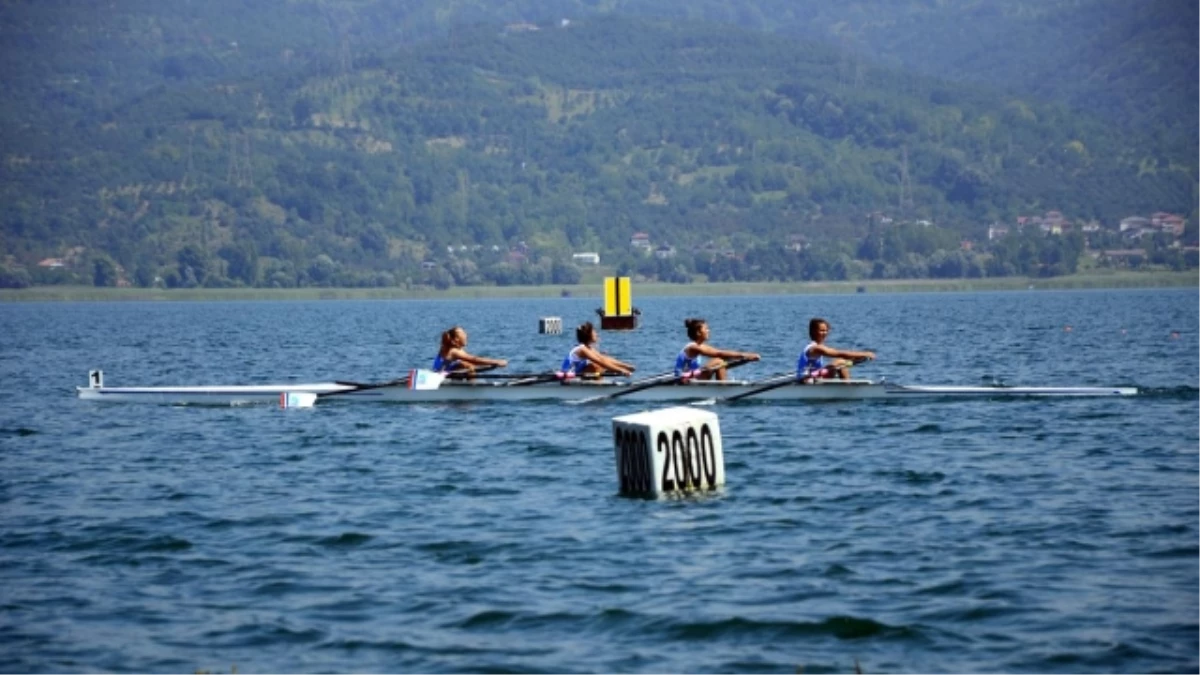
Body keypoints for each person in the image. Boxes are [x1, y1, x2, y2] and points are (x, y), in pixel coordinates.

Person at [675, 318, 760, 381]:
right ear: (698, 332)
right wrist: (746, 355)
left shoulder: (700, 346)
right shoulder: (693, 347)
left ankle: (723, 386)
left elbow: (722, 355)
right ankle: (724, 389)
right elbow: (719, 353)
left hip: (691, 376)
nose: (709, 331)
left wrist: (745, 359)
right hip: (683, 379)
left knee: (721, 361)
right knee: (718, 361)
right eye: (706, 329)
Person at [797, 318, 875, 382]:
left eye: (826, 330)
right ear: (813, 332)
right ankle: (848, 390)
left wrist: (857, 358)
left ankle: (846, 387)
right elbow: (839, 353)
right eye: (822, 331)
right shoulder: (815, 348)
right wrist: (865, 354)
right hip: (807, 380)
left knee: (840, 361)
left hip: (813, 376)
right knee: (840, 364)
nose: (825, 333)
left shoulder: (816, 346)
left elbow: (840, 355)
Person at [560, 321, 636, 378]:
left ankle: (599, 384)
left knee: (603, 360)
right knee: (595, 366)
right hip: (568, 377)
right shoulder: (582, 349)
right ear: (589, 335)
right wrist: (621, 370)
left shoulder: (588, 348)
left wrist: (626, 366)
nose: (596, 334)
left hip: (577, 374)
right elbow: (601, 362)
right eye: (594, 332)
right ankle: (599, 388)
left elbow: (604, 359)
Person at [433, 326, 508, 376]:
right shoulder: (453, 351)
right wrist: (497, 362)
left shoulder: (449, 348)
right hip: (441, 376)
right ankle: (473, 389)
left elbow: (474, 361)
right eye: (464, 334)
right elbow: (474, 359)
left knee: (467, 364)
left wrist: (490, 365)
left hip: (442, 373)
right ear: (456, 339)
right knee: (467, 366)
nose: (466, 335)